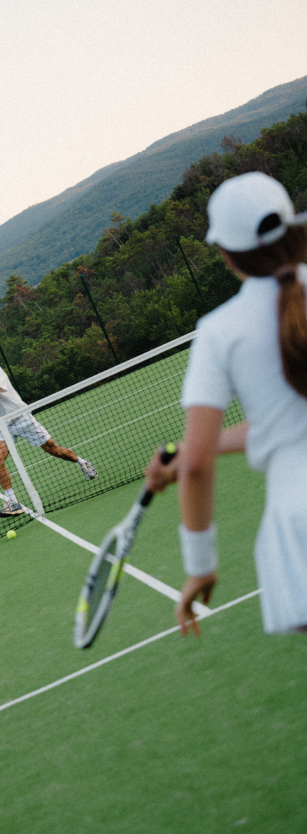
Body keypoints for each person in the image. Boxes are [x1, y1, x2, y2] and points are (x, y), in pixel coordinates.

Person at [144, 171, 307, 636]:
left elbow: (193, 466)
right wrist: (191, 449)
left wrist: (200, 566)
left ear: (225, 254)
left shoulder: (220, 330)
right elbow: (282, 425)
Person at [0, 344, 98, 517]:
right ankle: (13, 502)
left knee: (53, 449)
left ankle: (82, 462)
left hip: (20, 417)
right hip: (1, 426)